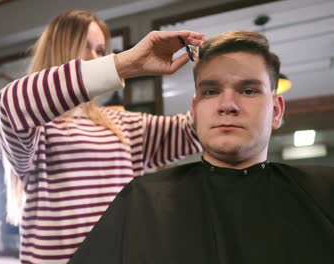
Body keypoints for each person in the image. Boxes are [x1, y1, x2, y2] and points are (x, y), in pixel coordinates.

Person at [68, 30, 334, 264]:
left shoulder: (324, 194)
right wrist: (123, 64)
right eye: (210, 91)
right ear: (193, 112)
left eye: (249, 91)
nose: (227, 104)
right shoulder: (143, 202)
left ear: (276, 111)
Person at [0, 10, 206, 263]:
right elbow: (11, 104)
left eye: (101, 51)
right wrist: (126, 63)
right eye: (85, 48)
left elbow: (194, 129)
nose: (96, 58)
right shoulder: (39, 128)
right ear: (58, 49)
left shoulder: (123, 123)